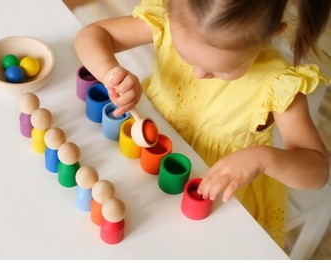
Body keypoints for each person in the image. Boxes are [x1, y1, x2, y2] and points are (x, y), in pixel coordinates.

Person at [74, 0, 330, 247]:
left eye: (223, 70)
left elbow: (318, 171)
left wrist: (263, 159)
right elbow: (92, 34)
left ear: (270, 35)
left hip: (212, 192)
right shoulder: (170, 18)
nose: (198, 74)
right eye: (186, 58)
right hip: (145, 157)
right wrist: (110, 73)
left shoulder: (277, 84)